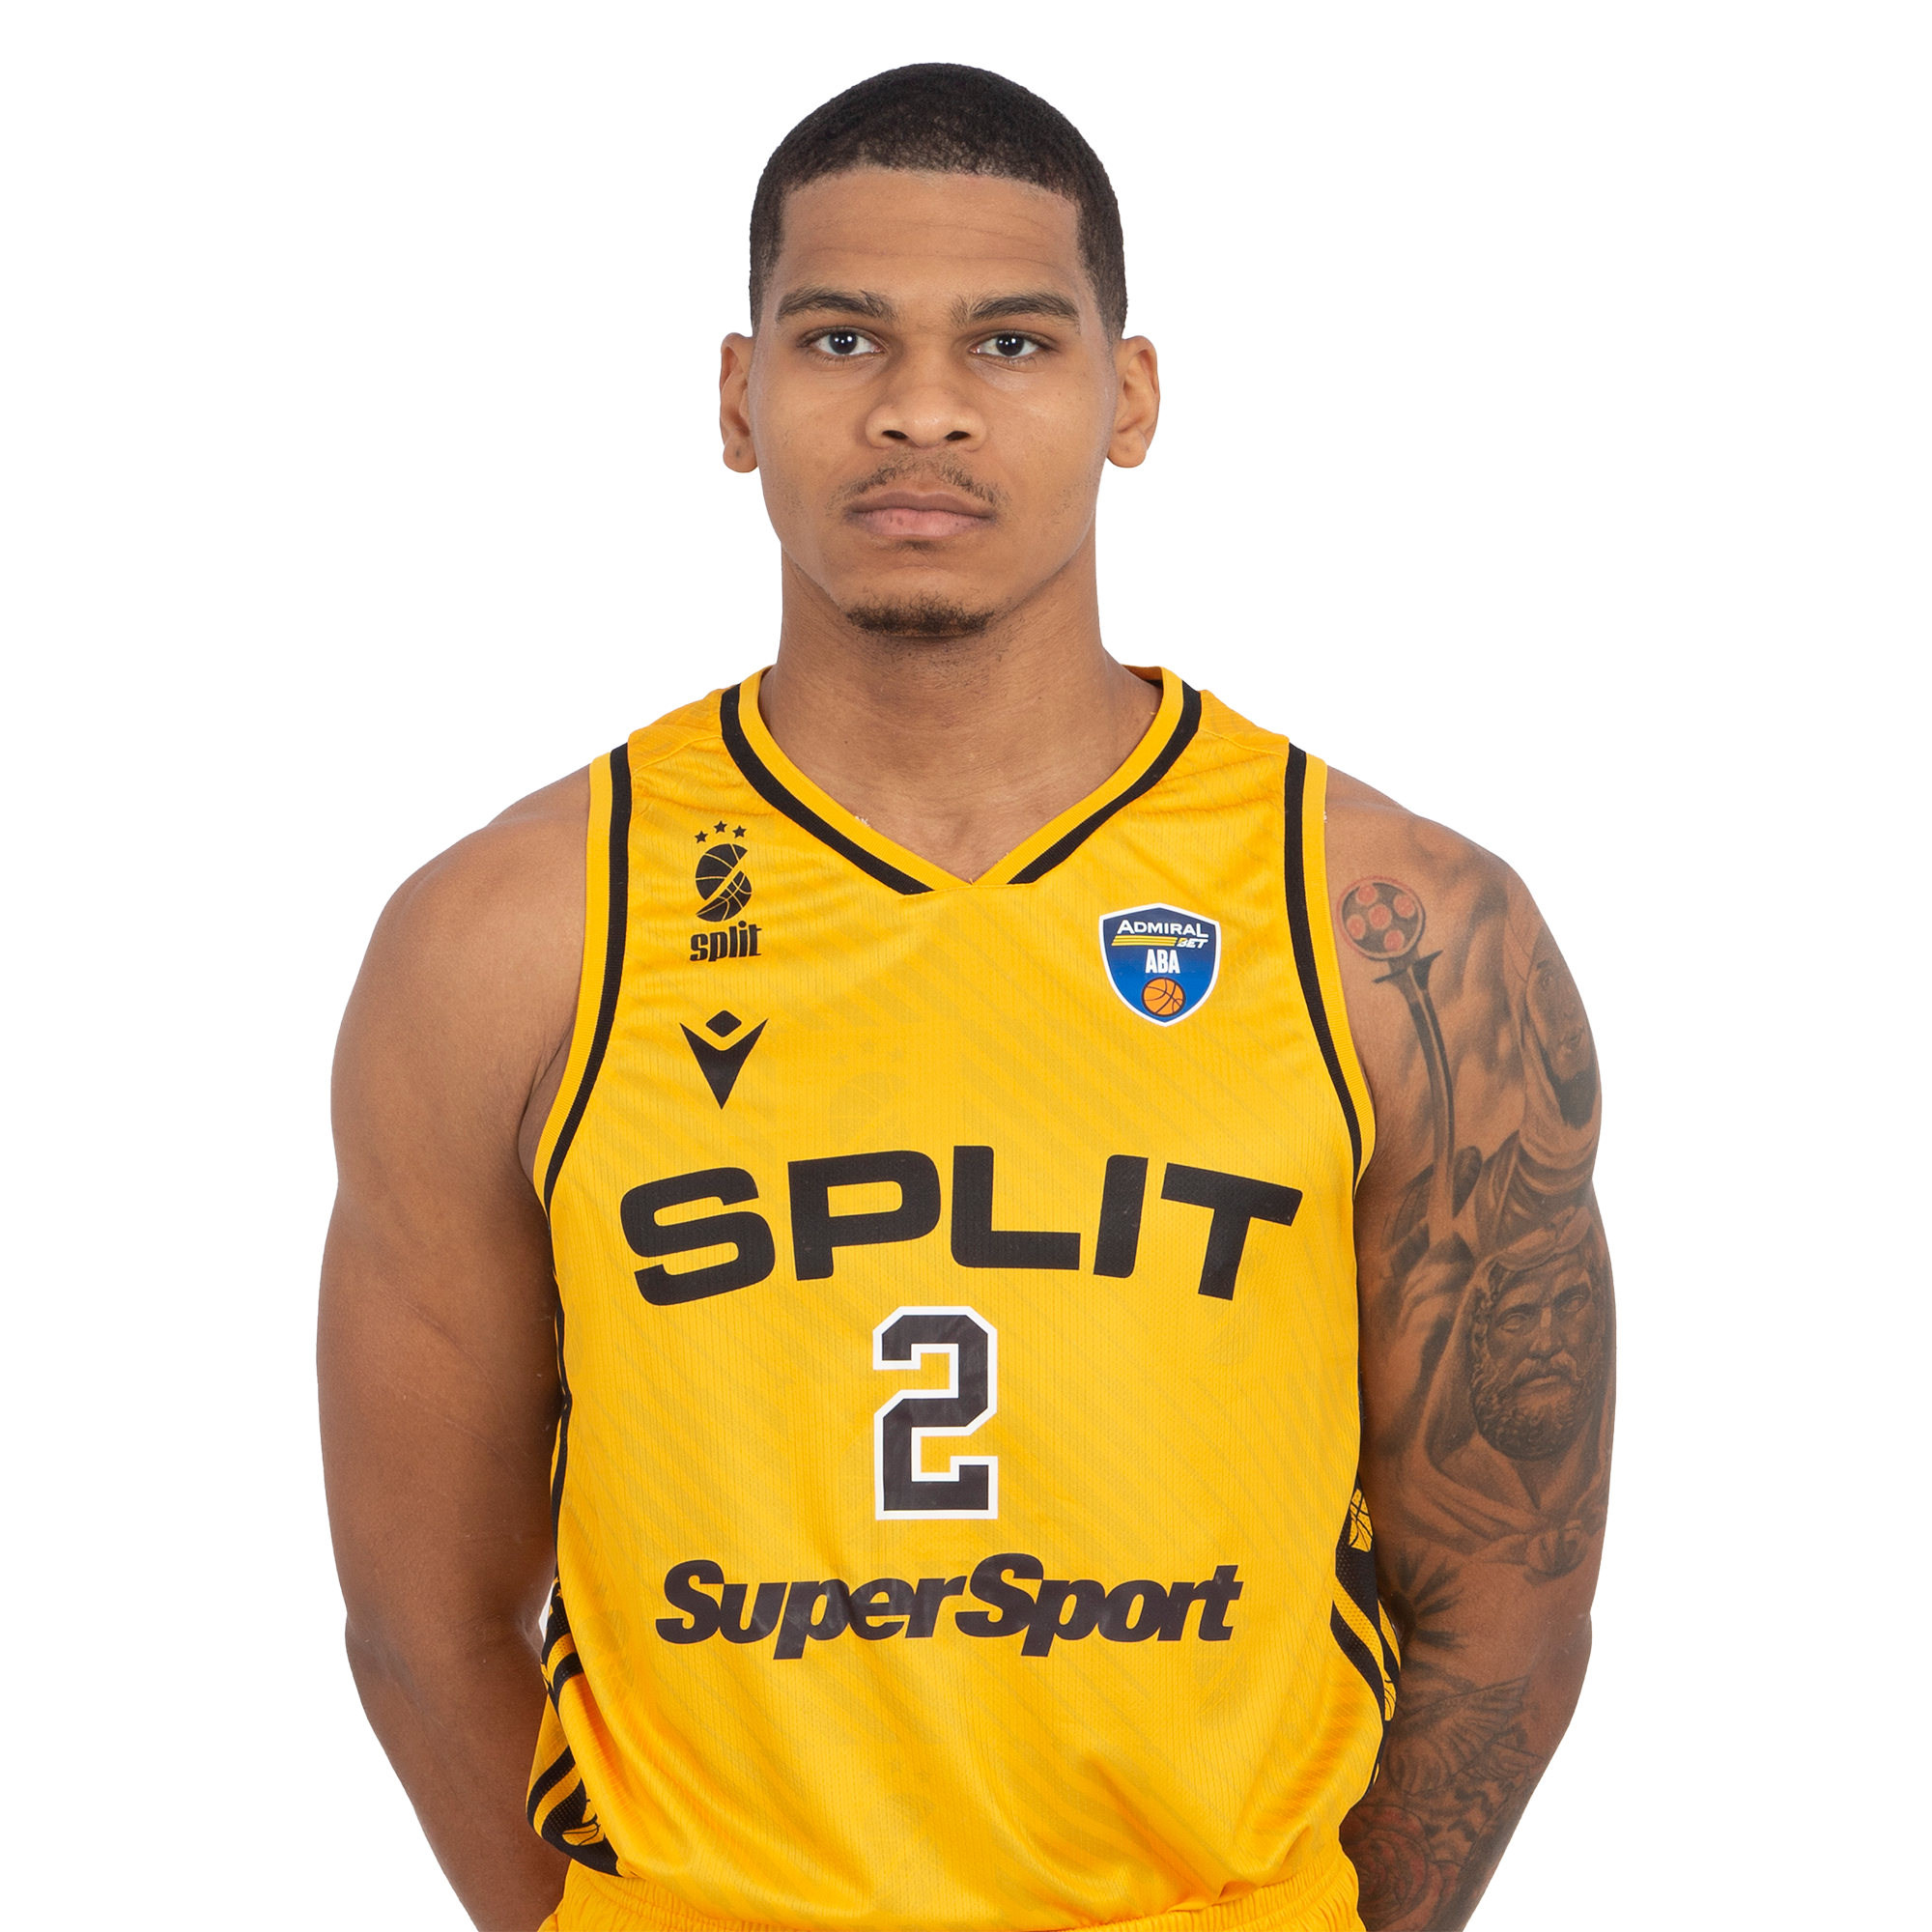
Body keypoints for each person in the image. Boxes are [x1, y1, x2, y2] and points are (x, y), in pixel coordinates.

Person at [320, 64, 1612, 1932]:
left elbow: (1509, 1595)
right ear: (739, 399)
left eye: (1011, 340)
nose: (920, 407)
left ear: (1130, 398)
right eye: (841, 336)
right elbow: (418, 1619)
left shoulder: (1395, 930)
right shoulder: (507, 939)